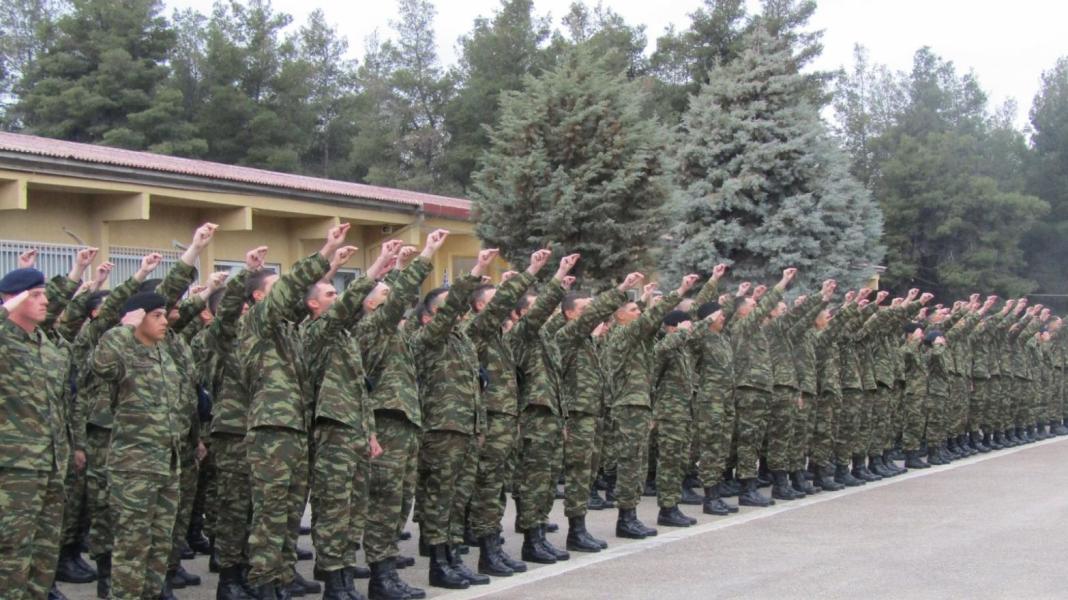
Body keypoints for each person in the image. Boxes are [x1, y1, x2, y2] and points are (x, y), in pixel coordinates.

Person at [242, 222, 351, 598]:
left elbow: (311, 301)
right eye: (276, 289)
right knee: (270, 514)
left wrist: (332, 266)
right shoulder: (257, 324)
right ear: (260, 297)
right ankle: (263, 582)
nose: (287, 296)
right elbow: (290, 292)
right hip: (271, 431)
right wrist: (325, 251)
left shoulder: (290, 332)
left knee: (290, 512)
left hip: (296, 430)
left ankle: (283, 576)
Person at [304, 242, 396, 600]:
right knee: (334, 509)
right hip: (333, 432)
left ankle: (344, 575)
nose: (337, 297)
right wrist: (375, 267)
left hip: (355, 432)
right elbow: (348, 306)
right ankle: (333, 581)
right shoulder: (316, 333)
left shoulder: (344, 338)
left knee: (355, 509)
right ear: (313, 304)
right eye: (329, 293)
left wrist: (370, 433)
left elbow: (359, 391)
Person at [360, 231, 447, 600]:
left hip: (406, 424)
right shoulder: (369, 329)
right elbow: (398, 299)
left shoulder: (396, 335)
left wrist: (398, 265)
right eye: (385, 294)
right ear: (371, 305)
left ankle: (389, 568)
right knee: (384, 503)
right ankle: (380, 577)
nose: (397, 301)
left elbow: (399, 301)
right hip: (387, 423)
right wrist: (425, 255)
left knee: (399, 503)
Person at [463, 249, 552, 577]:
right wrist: (529, 273)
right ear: (480, 307)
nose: (503, 305)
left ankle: (494, 548)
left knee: (497, 487)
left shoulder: (501, 339)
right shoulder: (477, 331)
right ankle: (487, 553)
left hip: (506, 421)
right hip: (490, 421)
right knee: (487, 487)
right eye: (494, 301)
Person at [412, 249, 495, 590]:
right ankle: (438, 563)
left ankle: (453, 558)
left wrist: (479, 427)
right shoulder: (428, 338)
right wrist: (475, 272)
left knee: (459, 499)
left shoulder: (462, 342)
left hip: (465, 429)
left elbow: (473, 387)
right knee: (440, 498)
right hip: (442, 429)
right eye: (449, 307)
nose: (457, 311)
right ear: (432, 315)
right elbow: (451, 310)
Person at [552, 272, 643, 555]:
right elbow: (592, 318)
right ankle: (575, 531)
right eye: (583, 309)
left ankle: (580, 528)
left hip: (593, 414)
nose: (590, 314)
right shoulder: (567, 336)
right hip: (577, 415)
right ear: (569, 314)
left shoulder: (588, 342)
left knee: (589, 472)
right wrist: (622, 288)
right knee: (578, 473)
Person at [0, 267, 72, 600]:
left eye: (45, 295)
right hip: (14, 469)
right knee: (11, 552)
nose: (45, 301)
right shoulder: (5, 342)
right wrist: (6, 308)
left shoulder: (48, 346)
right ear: (13, 299)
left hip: (52, 465)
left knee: (45, 553)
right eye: (36, 295)